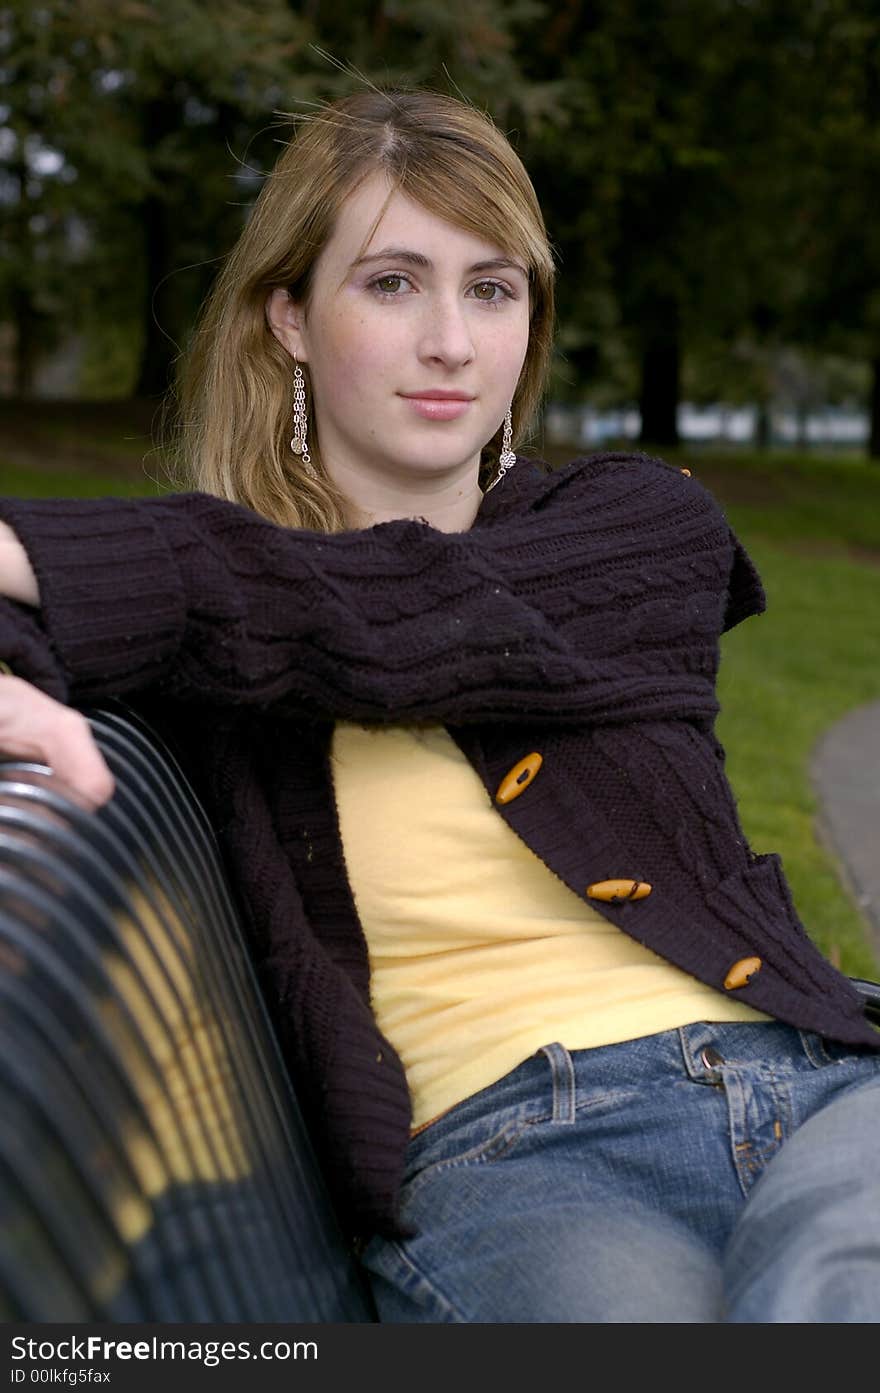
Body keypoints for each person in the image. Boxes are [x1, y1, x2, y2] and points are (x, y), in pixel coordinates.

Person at [0, 88, 879, 1324]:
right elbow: (217, 609)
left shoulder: (638, 534)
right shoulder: (201, 638)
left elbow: (402, 615)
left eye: (492, 288)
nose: (453, 343)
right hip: (524, 1162)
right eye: (394, 282)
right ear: (289, 317)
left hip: (821, 1098)